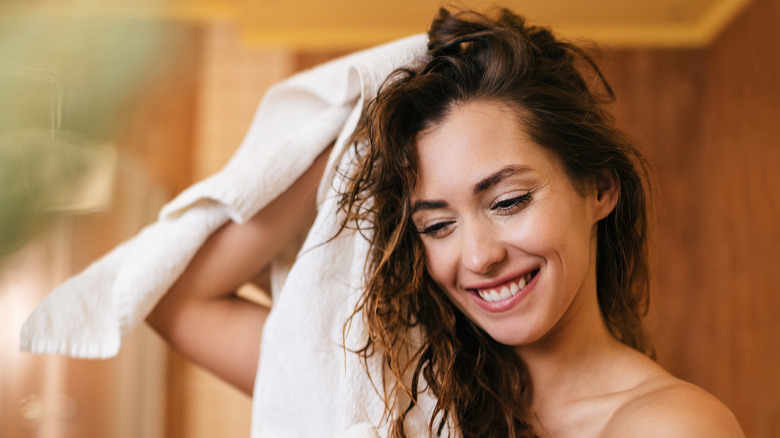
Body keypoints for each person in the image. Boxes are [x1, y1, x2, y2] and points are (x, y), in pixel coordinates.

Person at [148, 8, 745, 438]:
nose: (478, 256)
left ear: (599, 188)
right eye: (437, 226)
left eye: (508, 201)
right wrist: (351, 140)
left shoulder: (670, 425)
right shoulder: (395, 386)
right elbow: (174, 297)